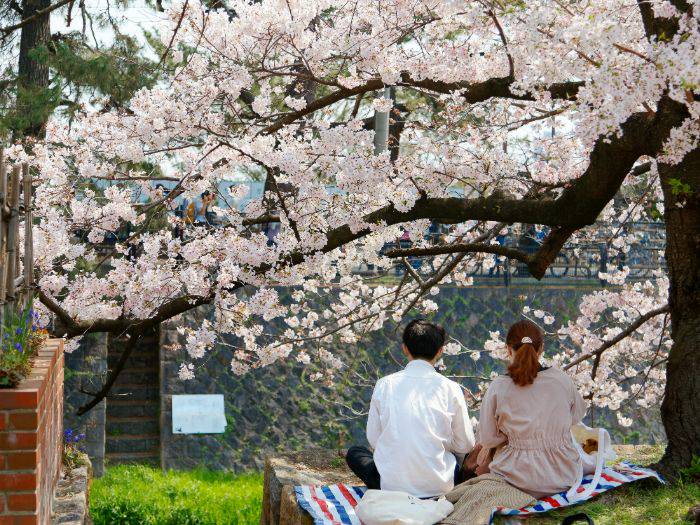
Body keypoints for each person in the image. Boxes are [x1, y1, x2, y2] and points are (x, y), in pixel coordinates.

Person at [346, 319, 476, 498]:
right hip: (440, 486)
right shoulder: (451, 388)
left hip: (390, 485)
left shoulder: (385, 384)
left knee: (355, 453)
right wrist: (441, 442)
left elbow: (375, 439)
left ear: (405, 348)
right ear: (440, 351)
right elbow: (466, 444)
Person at [475, 319, 587, 499]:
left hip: (515, 479)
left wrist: (509, 435)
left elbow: (487, 439)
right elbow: (576, 416)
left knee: (482, 457)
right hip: (563, 475)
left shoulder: (499, 386)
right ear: (541, 348)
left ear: (508, 349)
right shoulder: (561, 379)